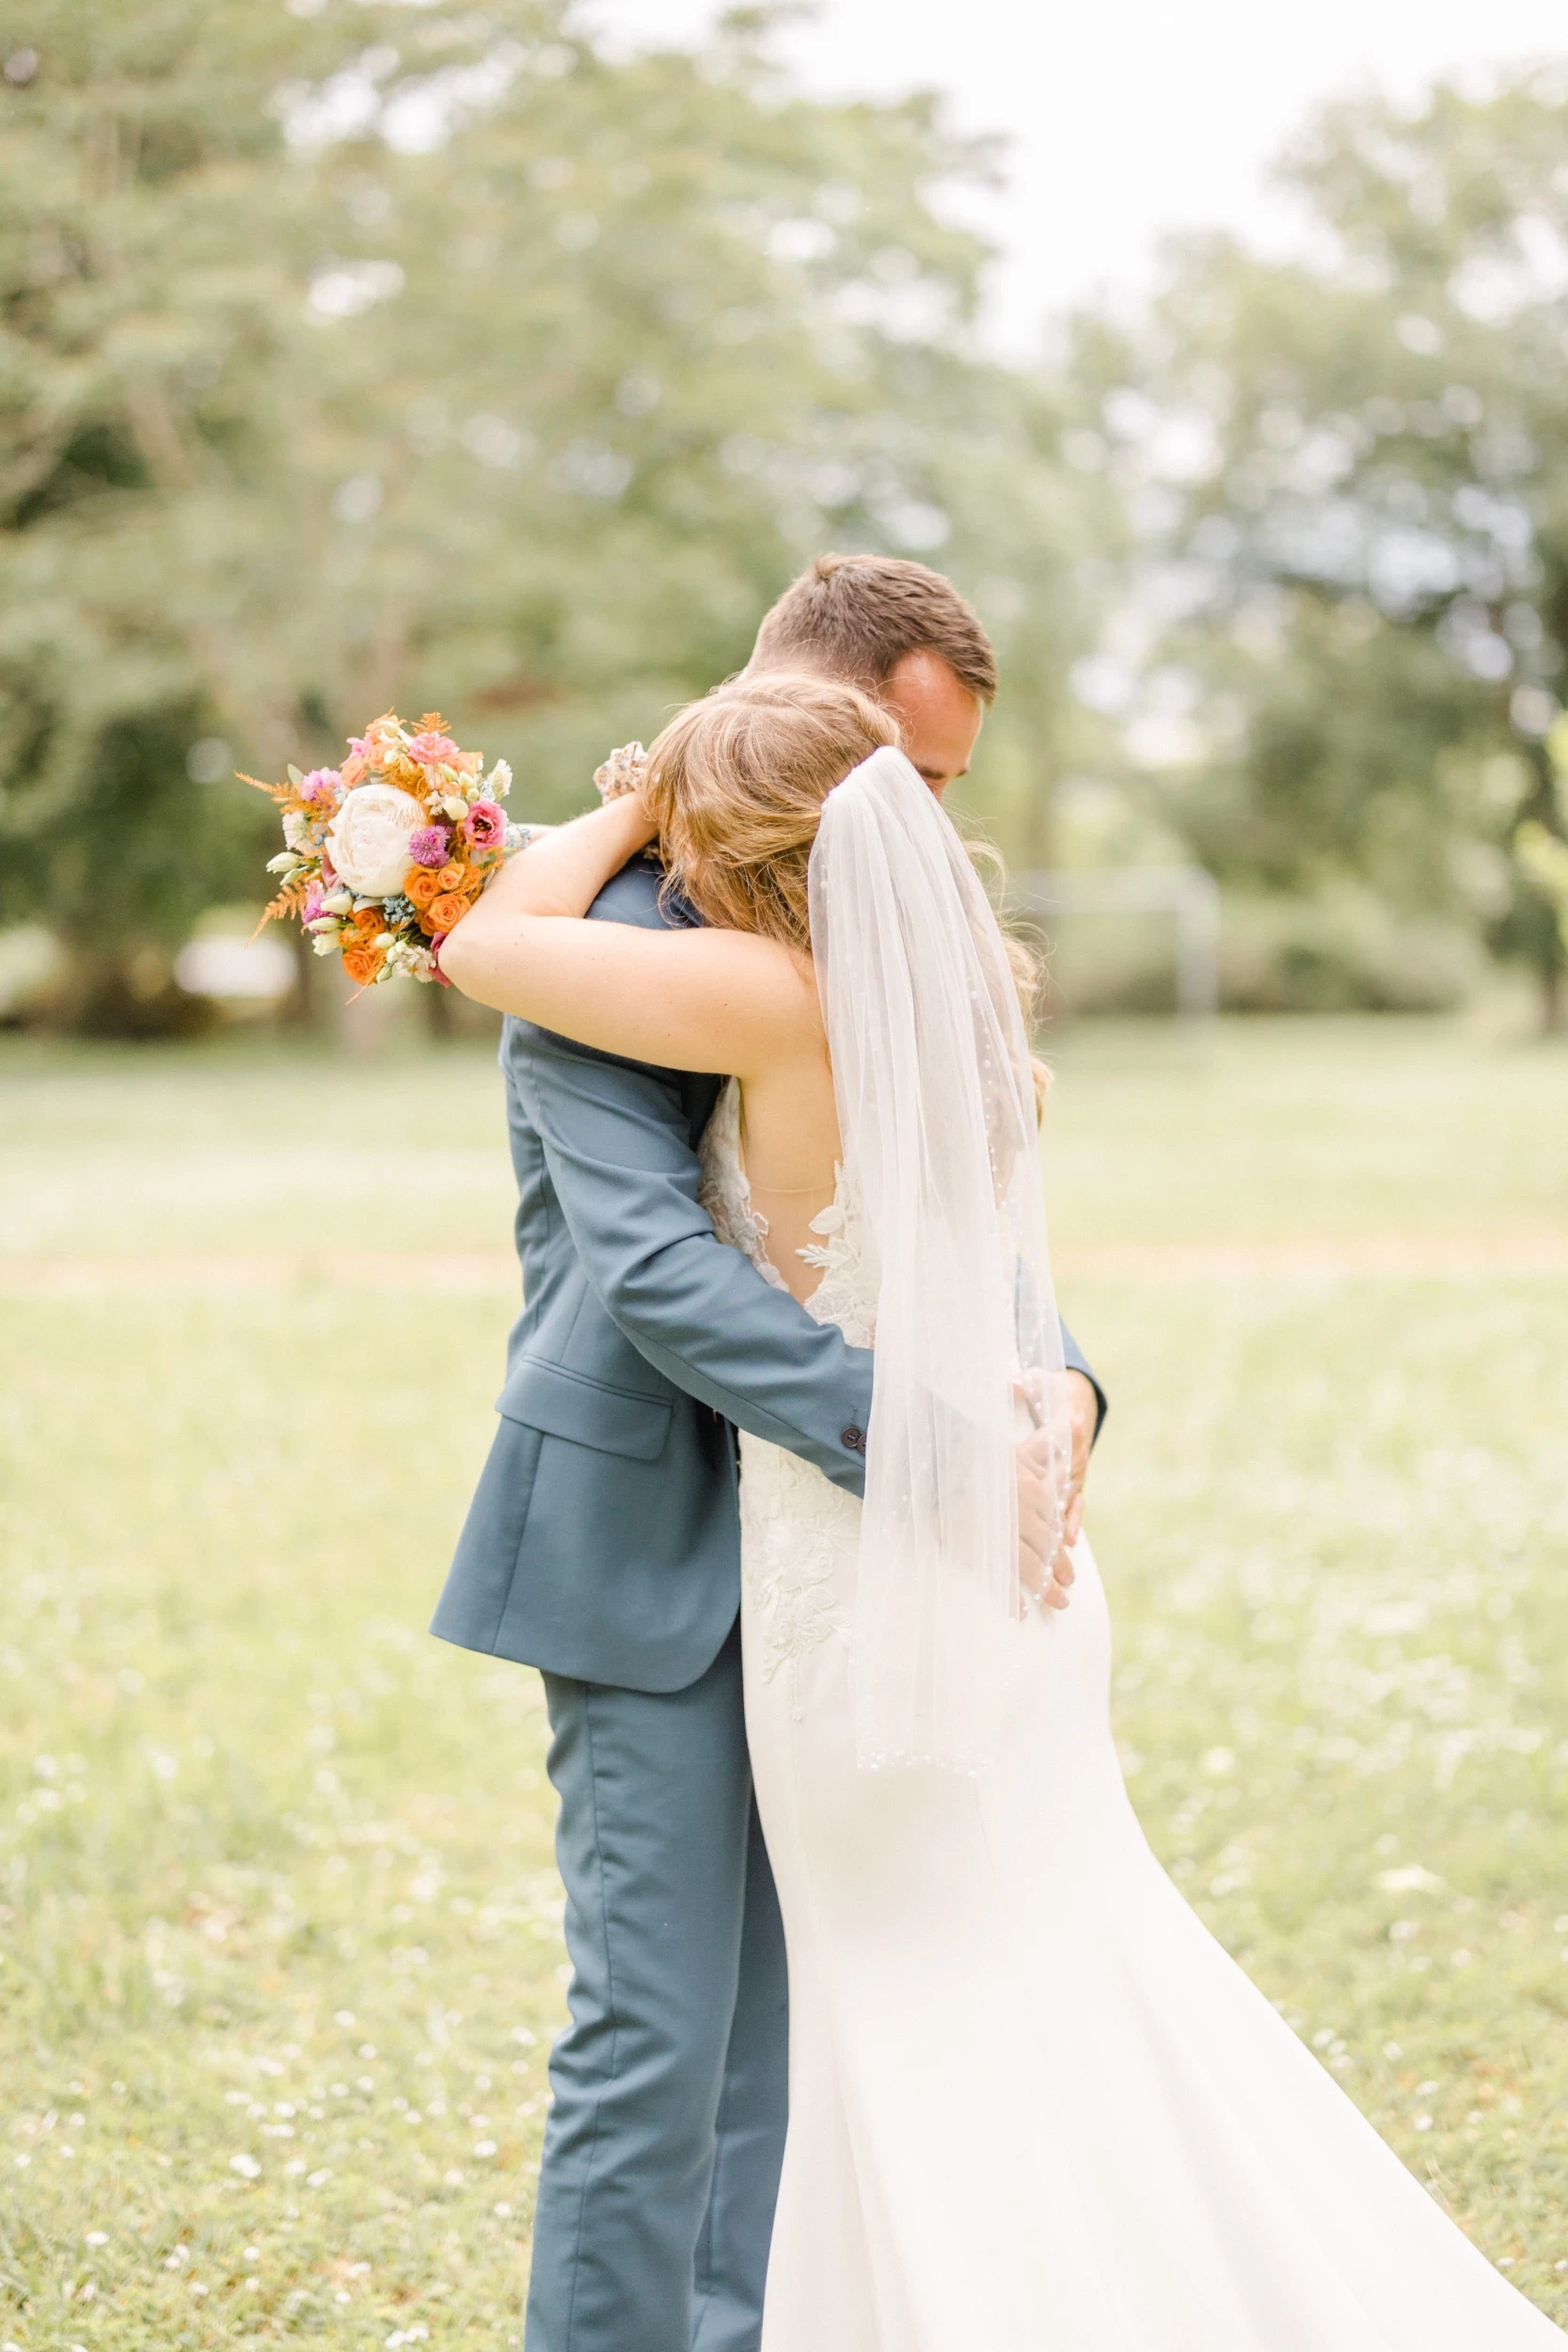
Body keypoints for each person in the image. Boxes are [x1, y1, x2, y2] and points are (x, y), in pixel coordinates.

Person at [442, 667, 1568, 2352]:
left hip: (874, 1562)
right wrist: (992, 1421)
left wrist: (629, 793)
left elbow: (480, 946)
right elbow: (701, 1265)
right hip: (866, 1557)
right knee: (892, 1999)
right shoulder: (954, 999)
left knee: (870, 2013)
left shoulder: (747, 986)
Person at [430, 558, 1106, 2352]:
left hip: (849, 1562)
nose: (923, 826)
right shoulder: (607, 933)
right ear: (807, 717)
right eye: (910, 773)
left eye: (944, 789)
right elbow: (653, 1271)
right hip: (648, 1540)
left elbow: (955, 1210)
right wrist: (926, 1451)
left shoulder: (876, 938)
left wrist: (1061, 1379)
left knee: (802, 2034)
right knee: (658, 2033)